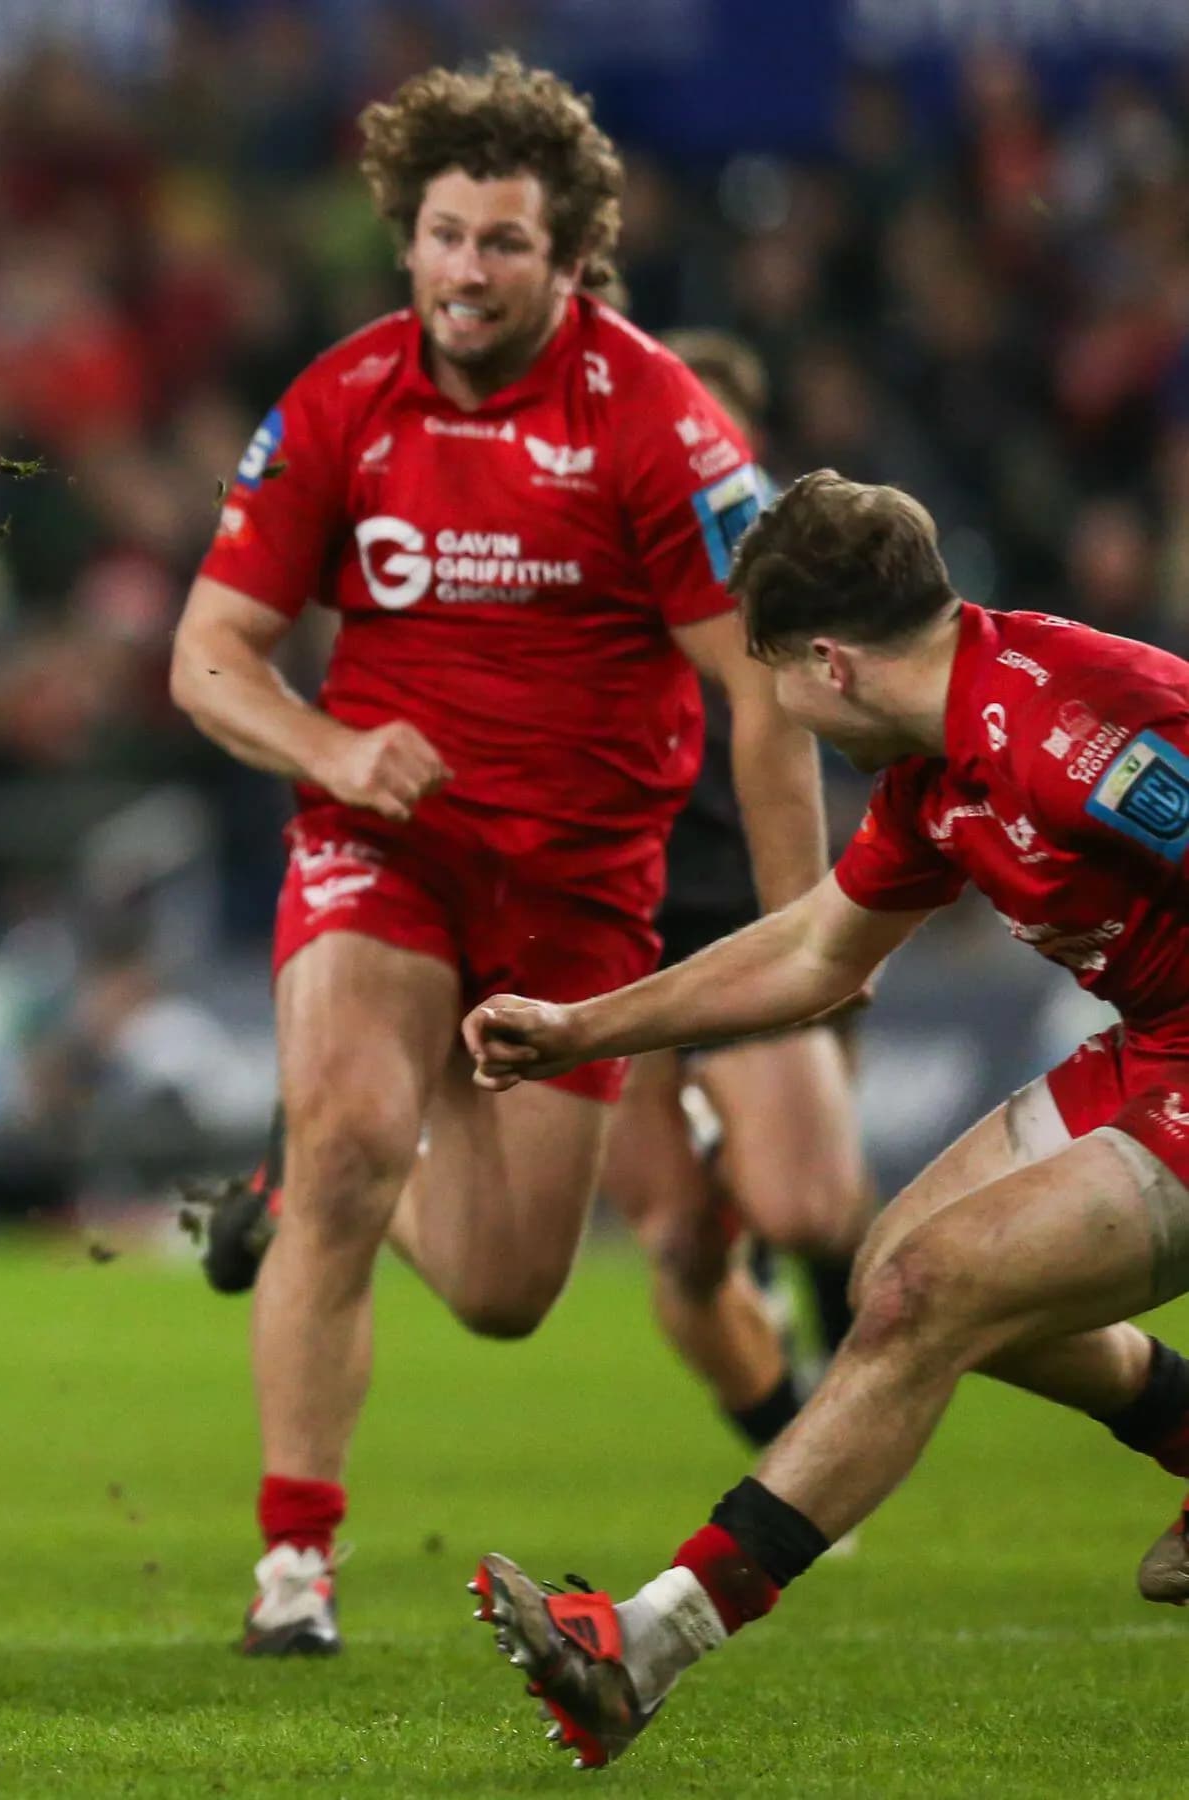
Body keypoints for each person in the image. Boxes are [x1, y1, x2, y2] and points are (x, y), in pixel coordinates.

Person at [166, 54, 826, 1657]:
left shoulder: (657, 418)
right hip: (381, 846)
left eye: (505, 243)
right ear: (406, 235)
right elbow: (208, 654)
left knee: (505, 1293)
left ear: (571, 255)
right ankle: (294, 1567)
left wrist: (808, 933)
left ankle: (306, 1173)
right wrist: (332, 751)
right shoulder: (339, 400)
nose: (467, 270)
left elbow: (764, 689)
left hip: (581, 891)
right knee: (351, 1134)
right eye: (445, 235)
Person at [467, 471, 1189, 1768]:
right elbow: (814, 956)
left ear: (827, 664)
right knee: (888, 1275)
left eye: (766, 679)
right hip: (1155, 1039)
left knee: (928, 1291)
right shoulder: (934, 771)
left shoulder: (1069, 733)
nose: (771, 711)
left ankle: (646, 1643)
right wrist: (580, 1028)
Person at [602, 329, 871, 1453]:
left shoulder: (782, 581)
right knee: (677, 1239)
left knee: (810, 1204)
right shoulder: (589, 555)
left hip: (739, 899)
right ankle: (792, 1451)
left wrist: (816, 922)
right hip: (609, 913)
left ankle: (850, 1369)